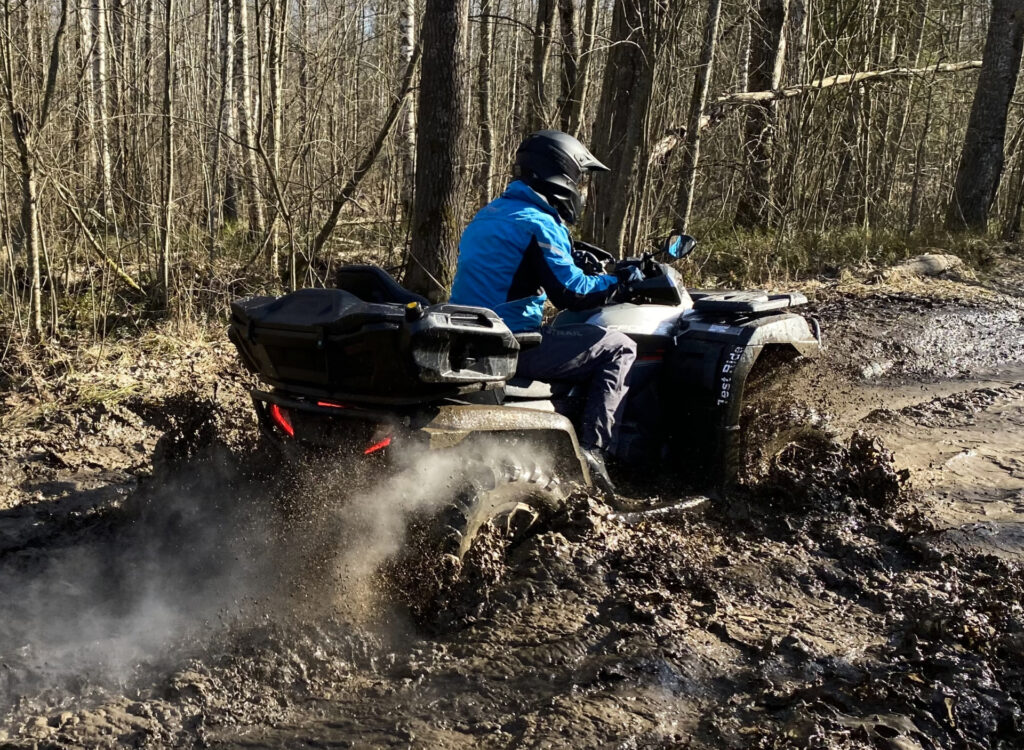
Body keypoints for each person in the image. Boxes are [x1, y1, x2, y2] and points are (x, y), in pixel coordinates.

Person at [449, 130, 641, 496]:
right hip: (513, 345)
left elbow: (517, 274)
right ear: (562, 175)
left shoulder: (489, 214)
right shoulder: (539, 222)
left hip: (471, 337)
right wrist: (620, 283)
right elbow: (572, 292)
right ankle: (594, 453)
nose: (582, 189)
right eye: (580, 180)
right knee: (619, 346)